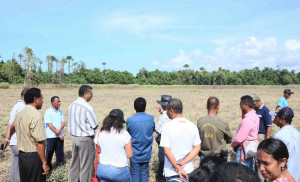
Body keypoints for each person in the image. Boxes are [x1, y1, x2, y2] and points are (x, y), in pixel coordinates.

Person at [10, 88, 50, 181]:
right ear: (35, 99)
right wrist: (44, 162)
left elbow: (11, 127)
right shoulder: (36, 115)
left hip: (22, 156)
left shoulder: (20, 113)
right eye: (42, 98)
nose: (42, 101)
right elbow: (39, 142)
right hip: (34, 157)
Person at [160, 98, 201, 181]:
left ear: (171, 110)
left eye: (166, 110)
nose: (166, 113)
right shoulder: (192, 126)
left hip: (171, 172)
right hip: (188, 170)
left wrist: (178, 168)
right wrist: (183, 162)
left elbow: (167, 151)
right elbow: (197, 147)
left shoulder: (167, 127)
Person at [68, 85, 98, 182]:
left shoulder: (72, 105)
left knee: (74, 165)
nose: (92, 96)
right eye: (91, 94)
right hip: (85, 139)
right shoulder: (87, 107)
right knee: (86, 167)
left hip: (74, 138)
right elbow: (95, 125)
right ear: (85, 94)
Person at [94, 109, 133, 182]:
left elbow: (98, 150)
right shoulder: (124, 134)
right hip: (118, 170)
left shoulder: (100, 132)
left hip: (102, 169)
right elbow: (130, 154)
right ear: (120, 122)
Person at [1, 88, 28, 182]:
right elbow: (13, 125)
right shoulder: (23, 107)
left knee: (15, 165)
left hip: (14, 141)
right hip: (19, 142)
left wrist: (7, 139)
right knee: (21, 167)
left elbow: (9, 124)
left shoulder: (17, 106)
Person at [126, 97, 155, 182]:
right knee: (144, 174)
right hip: (146, 152)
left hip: (134, 152)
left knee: (134, 174)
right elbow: (153, 130)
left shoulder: (130, 120)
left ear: (134, 107)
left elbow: (127, 134)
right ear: (145, 107)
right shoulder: (151, 118)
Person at [231, 95, 259, 171]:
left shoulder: (247, 120)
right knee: (250, 169)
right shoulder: (255, 116)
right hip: (251, 147)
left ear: (246, 105)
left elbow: (239, 138)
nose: (240, 107)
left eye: (241, 105)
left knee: (242, 171)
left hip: (244, 149)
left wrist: (233, 144)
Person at [273, 107, 300, 181]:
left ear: (282, 119)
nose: (275, 119)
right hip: (295, 176)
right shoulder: (297, 134)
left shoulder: (279, 135)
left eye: (276, 117)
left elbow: (275, 157)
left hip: (283, 176)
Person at [44, 96, 65, 171]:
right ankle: (48, 167)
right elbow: (50, 125)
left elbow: (63, 122)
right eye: (58, 102)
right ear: (53, 103)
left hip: (60, 136)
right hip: (51, 136)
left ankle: (60, 166)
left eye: (60, 101)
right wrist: (58, 133)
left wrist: (60, 130)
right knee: (49, 152)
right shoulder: (48, 112)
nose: (60, 103)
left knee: (60, 153)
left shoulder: (60, 111)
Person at [154, 94, 172, 178]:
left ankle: (161, 176)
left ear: (162, 105)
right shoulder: (172, 113)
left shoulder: (164, 116)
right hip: (172, 141)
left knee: (162, 159)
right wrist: (160, 112)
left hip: (163, 142)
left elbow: (157, 129)